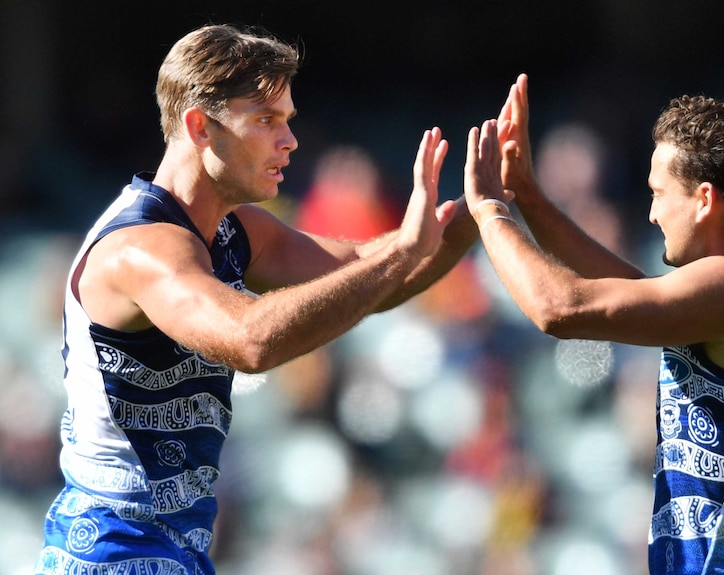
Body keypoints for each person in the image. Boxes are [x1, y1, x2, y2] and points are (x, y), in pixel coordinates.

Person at [33, 24, 479, 575]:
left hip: (179, 549)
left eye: (287, 120)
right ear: (200, 126)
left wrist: (480, 210)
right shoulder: (139, 249)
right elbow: (250, 340)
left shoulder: (234, 229)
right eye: (266, 120)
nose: (289, 140)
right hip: (111, 551)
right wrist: (400, 255)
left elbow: (369, 276)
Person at [464, 74, 724, 574]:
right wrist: (527, 193)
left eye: (659, 193)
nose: (652, 214)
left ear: (704, 199)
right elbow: (624, 287)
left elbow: (559, 309)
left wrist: (489, 211)